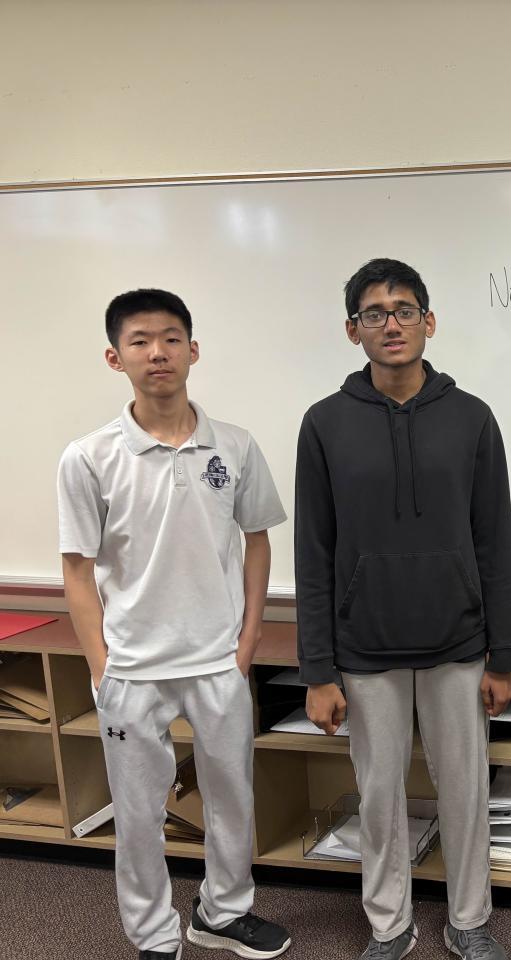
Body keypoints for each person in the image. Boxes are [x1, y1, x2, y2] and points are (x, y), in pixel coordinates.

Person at [58, 288, 291, 960]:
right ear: (116, 357)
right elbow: (77, 569)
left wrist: (247, 640)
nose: (157, 352)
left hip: (218, 660)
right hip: (132, 669)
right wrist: (101, 666)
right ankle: (154, 935)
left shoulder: (235, 447)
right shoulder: (89, 457)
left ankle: (223, 912)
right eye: (139, 341)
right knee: (138, 815)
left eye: (170, 338)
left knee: (232, 800)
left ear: (193, 350)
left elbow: (256, 541)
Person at [295, 258, 511, 960]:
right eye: (374, 313)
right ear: (352, 330)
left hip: (458, 642)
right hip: (364, 647)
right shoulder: (324, 423)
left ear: (429, 321)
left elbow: (494, 541)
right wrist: (317, 670)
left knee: (465, 793)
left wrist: (502, 655)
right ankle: (390, 925)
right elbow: (313, 552)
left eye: (404, 310)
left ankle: (468, 920)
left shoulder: (472, 417)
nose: (390, 324)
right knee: (380, 796)